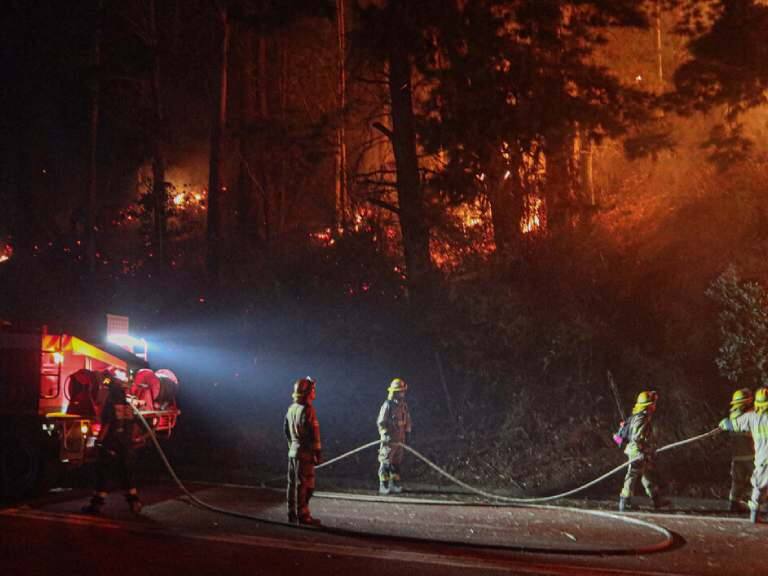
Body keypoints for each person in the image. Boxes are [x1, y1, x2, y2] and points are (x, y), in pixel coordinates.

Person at [82, 368, 144, 515]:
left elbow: (107, 425)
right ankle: (135, 503)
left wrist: (98, 442)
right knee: (127, 474)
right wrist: (134, 439)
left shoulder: (110, 405)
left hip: (111, 445)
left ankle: (96, 506)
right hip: (126, 445)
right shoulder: (128, 405)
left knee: (103, 473)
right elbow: (135, 425)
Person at [719, 387, 768, 523]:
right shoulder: (750, 415)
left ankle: (752, 511)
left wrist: (725, 424)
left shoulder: (751, 417)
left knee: (758, 485)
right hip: (751, 457)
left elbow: (732, 425)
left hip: (758, 459)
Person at [618, 390, 669, 511]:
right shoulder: (641, 418)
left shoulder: (640, 416)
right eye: (653, 403)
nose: (654, 406)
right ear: (648, 405)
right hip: (636, 451)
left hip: (641, 450)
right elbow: (636, 438)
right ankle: (625, 502)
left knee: (646, 475)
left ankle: (656, 499)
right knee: (633, 475)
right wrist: (640, 452)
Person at [284, 376, 322, 525]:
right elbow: (314, 433)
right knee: (305, 485)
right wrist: (317, 452)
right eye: (313, 389)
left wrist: (292, 447)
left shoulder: (291, 408)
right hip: (305, 453)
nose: (314, 392)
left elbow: (286, 430)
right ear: (307, 392)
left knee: (292, 484)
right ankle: (303, 515)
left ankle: (291, 513)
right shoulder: (308, 410)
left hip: (293, 451)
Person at [377, 377, 412, 495]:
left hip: (399, 440)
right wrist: (385, 434)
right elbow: (381, 421)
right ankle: (383, 485)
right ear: (395, 392)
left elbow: (407, 420)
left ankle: (394, 484)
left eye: (403, 390)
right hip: (389, 440)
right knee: (386, 462)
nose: (402, 393)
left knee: (396, 463)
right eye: (400, 391)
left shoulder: (403, 405)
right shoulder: (388, 405)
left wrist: (407, 433)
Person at [725, 388, 755, 513]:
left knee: (737, 481)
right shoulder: (752, 416)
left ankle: (734, 503)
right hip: (752, 456)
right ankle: (755, 505)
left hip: (737, 457)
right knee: (760, 480)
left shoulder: (732, 417)